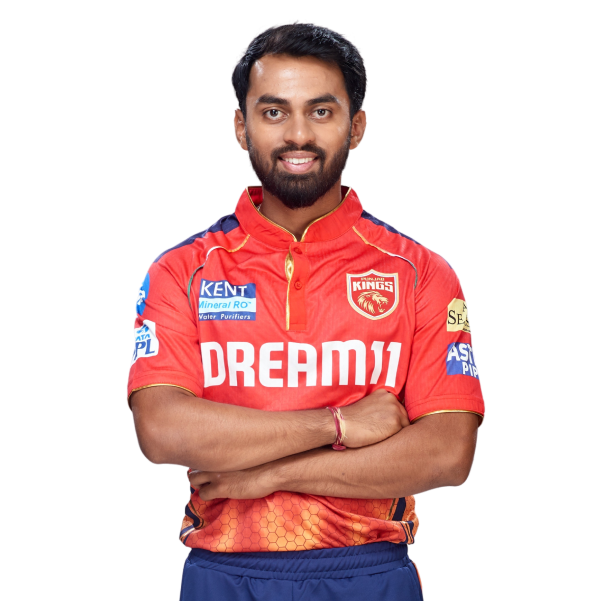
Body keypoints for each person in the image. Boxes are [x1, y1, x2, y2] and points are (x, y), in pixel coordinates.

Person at [127, 21, 484, 601]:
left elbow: (448, 453)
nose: (298, 135)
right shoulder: (180, 270)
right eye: (274, 112)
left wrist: (271, 475)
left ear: (357, 126)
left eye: (321, 111)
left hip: (370, 571)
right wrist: (337, 425)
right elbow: (162, 431)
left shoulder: (420, 271)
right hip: (223, 572)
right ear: (240, 126)